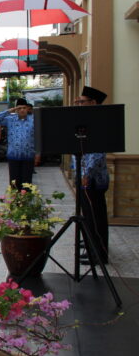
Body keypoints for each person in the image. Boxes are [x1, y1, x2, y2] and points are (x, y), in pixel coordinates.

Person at [74, 86, 110, 263]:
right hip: (84, 175)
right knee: (88, 216)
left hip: (93, 178)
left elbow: (97, 153)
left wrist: (86, 173)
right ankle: (91, 246)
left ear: (93, 102)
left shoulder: (99, 122)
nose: (79, 104)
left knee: (96, 218)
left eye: (82, 102)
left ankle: (99, 254)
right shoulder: (87, 120)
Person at [0, 98, 38, 189]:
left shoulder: (33, 121)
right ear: (16, 109)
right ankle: (15, 198)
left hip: (28, 156)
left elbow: (38, 137)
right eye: (19, 108)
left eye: (24, 108)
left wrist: (38, 154)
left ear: (27, 108)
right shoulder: (10, 120)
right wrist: (9, 111)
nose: (22, 110)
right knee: (14, 184)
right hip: (13, 156)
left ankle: (26, 198)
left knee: (27, 184)